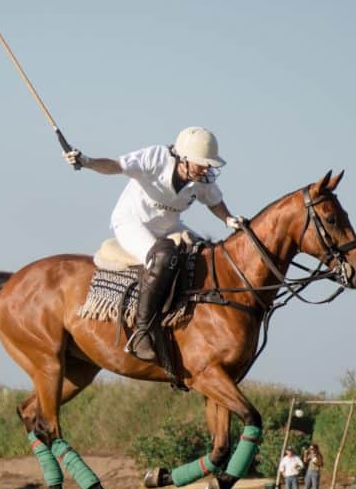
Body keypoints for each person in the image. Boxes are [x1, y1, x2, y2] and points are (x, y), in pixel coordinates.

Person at [65, 127, 244, 362]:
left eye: (209, 164)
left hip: (168, 227)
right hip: (132, 222)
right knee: (162, 258)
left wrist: (229, 219)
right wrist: (86, 161)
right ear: (184, 159)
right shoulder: (156, 158)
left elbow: (214, 201)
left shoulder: (202, 179)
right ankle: (142, 333)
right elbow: (116, 166)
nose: (207, 169)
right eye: (202, 164)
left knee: (205, 255)